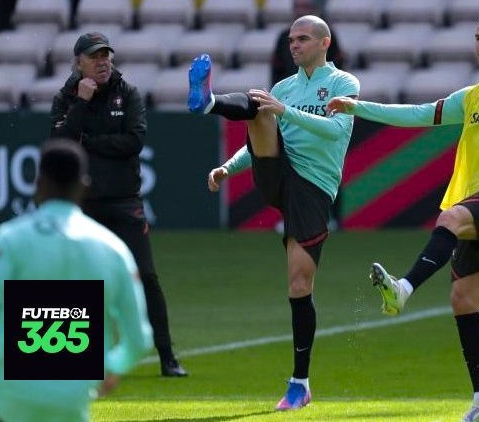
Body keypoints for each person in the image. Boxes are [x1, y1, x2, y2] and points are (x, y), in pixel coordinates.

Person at [327, 12, 479, 422]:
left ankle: (403, 288)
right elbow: (420, 113)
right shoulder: (474, 95)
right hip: (474, 200)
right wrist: (357, 107)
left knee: (450, 220)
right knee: (463, 301)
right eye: (477, 38)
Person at [187, 14, 359, 410]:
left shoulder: (343, 84)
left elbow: (335, 131)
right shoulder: (283, 87)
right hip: (277, 171)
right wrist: (227, 168)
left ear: (324, 43)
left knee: (299, 285)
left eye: (302, 39)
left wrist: (283, 111)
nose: (294, 45)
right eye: (291, 40)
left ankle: (300, 383)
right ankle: (208, 102)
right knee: (258, 103)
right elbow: (259, 140)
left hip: (313, 189)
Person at [0, 139, 153, 422]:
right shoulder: (113, 250)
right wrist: (112, 366)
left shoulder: (12, 238)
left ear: (38, 183)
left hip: (5, 401)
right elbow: (138, 340)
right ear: (84, 185)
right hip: (69, 407)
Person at [49, 32, 187, 377]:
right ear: (78, 62)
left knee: (146, 276)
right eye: (95, 57)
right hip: (82, 206)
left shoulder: (127, 93)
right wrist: (80, 104)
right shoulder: (66, 97)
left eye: (106, 56)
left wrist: (88, 141)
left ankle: (168, 357)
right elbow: (62, 147)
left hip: (125, 201)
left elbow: (133, 141)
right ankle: (71, 357)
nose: (103, 62)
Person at [271, 0, 345, 231]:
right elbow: (275, 69)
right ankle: (291, 216)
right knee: (290, 164)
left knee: (326, 161)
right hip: (291, 105)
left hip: (321, 108)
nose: (295, 45)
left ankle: (331, 217)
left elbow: (340, 67)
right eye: (297, 7)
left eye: (304, 7)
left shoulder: (325, 35)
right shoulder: (283, 37)